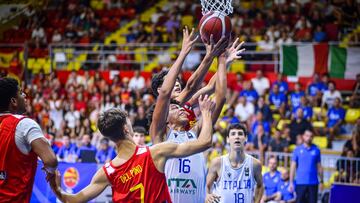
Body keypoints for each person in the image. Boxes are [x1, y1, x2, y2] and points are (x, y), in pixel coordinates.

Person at [49, 93, 216, 203]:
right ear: (126, 129)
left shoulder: (106, 172)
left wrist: (55, 188)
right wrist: (206, 113)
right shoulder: (156, 152)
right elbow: (205, 142)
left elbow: (72, 200)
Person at [149, 35, 245, 202]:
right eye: (173, 83)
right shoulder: (163, 119)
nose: (177, 84)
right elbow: (191, 86)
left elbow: (215, 93)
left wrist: (224, 61)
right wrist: (208, 56)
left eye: (178, 82)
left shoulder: (189, 118)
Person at [0, 77, 58, 202]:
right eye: (21, 92)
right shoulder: (24, 124)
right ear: (13, 101)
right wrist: (51, 172)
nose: (25, 95)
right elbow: (51, 160)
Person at [206, 123, 264, 203]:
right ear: (228, 139)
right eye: (233, 134)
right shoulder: (217, 163)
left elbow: (260, 186)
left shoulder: (255, 164)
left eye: (240, 134)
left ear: (246, 138)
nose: (237, 137)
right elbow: (206, 186)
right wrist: (207, 195)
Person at [289, 130, 323, 203]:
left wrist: (321, 181)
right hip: (300, 182)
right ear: (303, 136)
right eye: (307, 136)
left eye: (311, 136)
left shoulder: (316, 150)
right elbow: (292, 167)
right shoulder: (297, 150)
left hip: (313, 182)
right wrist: (291, 182)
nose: (309, 138)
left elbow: (319, 166)